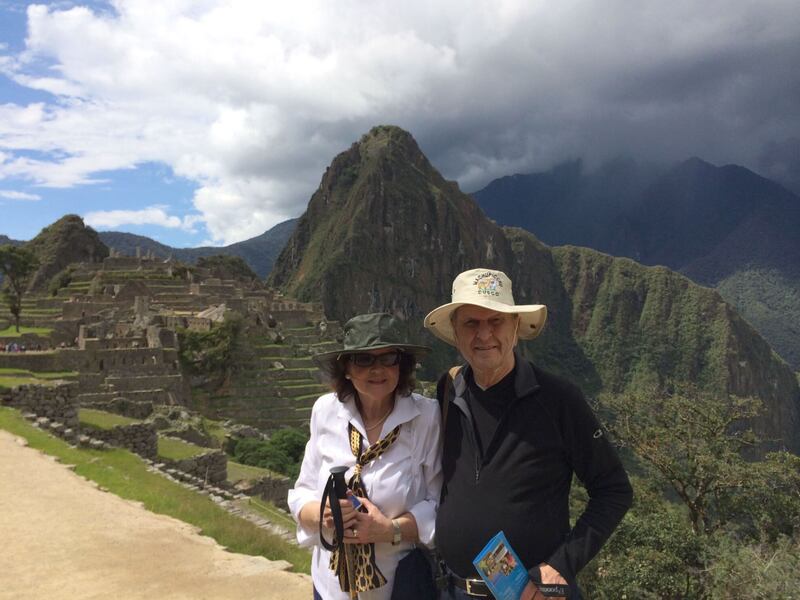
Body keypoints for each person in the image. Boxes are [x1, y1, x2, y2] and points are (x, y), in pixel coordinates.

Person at [424, 268, 633, 600]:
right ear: (457, 332)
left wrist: (560, 565)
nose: (484, 335)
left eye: (496, 322)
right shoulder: (448, 391)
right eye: (471, 324)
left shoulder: (558, 400)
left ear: (516, 327)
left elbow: (614, 490)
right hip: (454, 590)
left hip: (533, 594)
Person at [288, 312, 442, 600]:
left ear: (401, 366)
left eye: (388, 359)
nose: (377, 369)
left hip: (401, 587)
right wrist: (322, 516)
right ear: (346, 368)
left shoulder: (426, 418)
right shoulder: (325, 412)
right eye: (364, 359)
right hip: (331, 587)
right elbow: (303, 492)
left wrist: (389, 530)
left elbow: (438, 502)